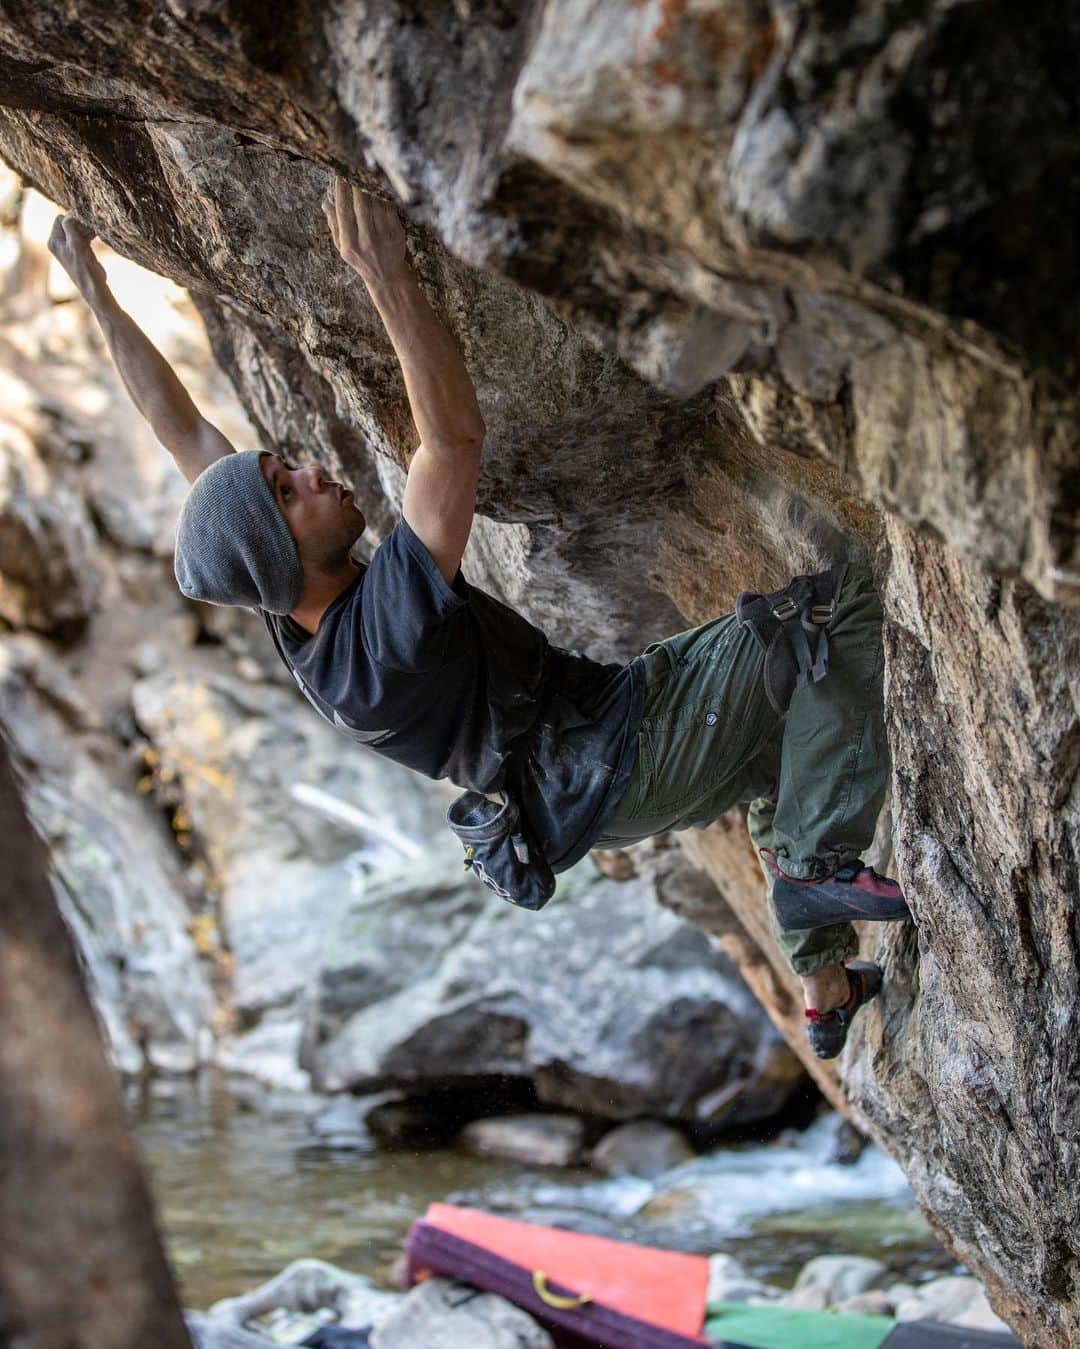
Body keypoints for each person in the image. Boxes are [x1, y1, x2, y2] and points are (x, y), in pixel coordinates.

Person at [47, 179, 910, 1060]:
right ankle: (814, 870)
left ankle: (824, 985)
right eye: (287, 489)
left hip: (592, 765)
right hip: (618, 753)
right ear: (277, 548)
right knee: (824, 611)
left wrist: (95, 289)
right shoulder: (386, 634)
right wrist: (387, 275)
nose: (308, 470)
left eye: (285, 465)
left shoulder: (296, 612)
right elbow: (453, 442)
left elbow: (185, 436)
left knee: (774, 755)